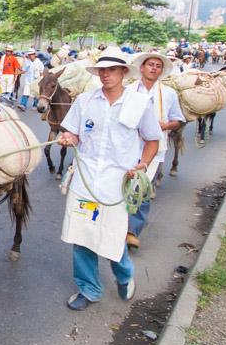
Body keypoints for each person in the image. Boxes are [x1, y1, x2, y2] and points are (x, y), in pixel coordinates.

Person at [57, 46, 161, 311]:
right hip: (85, 179)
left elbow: (152, 140)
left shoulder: (139, 104)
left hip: (118, 183)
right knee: (82, 237)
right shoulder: (85, 101)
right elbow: (75, 133)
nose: (106, 74)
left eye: (112, 69)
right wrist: (69, 138)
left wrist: (143, 164)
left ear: (124, 72)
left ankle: (124, 275)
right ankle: (89, 289)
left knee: (113, 237)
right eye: (102, 70)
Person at [125, 53, 186, 248]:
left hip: (154, 149)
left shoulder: (168, 94)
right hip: (127, 146)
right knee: (123, 186)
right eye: (150, 64)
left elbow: (178, 120)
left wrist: (165, 125)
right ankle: (117, 224)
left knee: (142, 188)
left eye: (158, 66)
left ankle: (132, 230)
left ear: (161, 71)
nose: (153, 68)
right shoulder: (128, 90)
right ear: (141, 68)